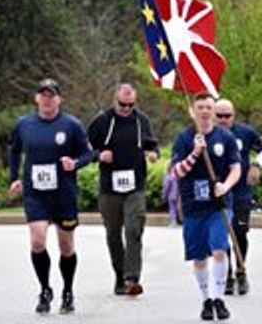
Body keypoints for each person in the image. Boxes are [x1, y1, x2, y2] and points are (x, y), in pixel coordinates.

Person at [9, 78, 94, 314]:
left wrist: (75, 163)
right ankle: (45, 289)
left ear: (59, 99)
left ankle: (68, 291)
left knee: (66, 246)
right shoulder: (24, 124)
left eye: (52, 95)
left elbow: (89, 154)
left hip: (63, 194)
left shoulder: (71, 125)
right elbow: (14, 150)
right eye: (43, 95)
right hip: (35, 193)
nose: (47, 99)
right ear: (37, 98)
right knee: (37, 240)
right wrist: (13, 178)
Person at [172, 92, 241, 321]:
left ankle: (219, 298)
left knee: (219, 248)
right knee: (199, 257)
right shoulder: (184, 138)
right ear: (193, 111)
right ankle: (206, 300)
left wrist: (226, 186)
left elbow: (236, 168)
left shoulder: (225, 138)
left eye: (208, 107)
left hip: (218, 206)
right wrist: (195, 153)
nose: (204, 111)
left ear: (213, 110)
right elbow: (176, 172)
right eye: (200, 107)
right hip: (193, 206)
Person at [87, 83, 159, 296]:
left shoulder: (141, 120)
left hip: (135, 185)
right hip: (109, 187)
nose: (127, 109)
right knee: (113, 235)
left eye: (131, 105)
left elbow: (151, 143)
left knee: (134, 229)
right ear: (114, 100)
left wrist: (152, 153)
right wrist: (99, 156)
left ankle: (132, 278)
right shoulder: (102, 121)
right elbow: (84, 148)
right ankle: (119, 275)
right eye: (122, 105)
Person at [215, 99, 262, 296]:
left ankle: (241, 270)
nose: (223, 120)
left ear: (234, 116)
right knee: (222, 235)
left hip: (241, 191)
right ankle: (228, 275)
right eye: (219, 116)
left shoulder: (245, 133)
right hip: (219, 191)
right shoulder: (207, 135)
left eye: (227, 116)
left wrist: (256, 165)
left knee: (239, 231)